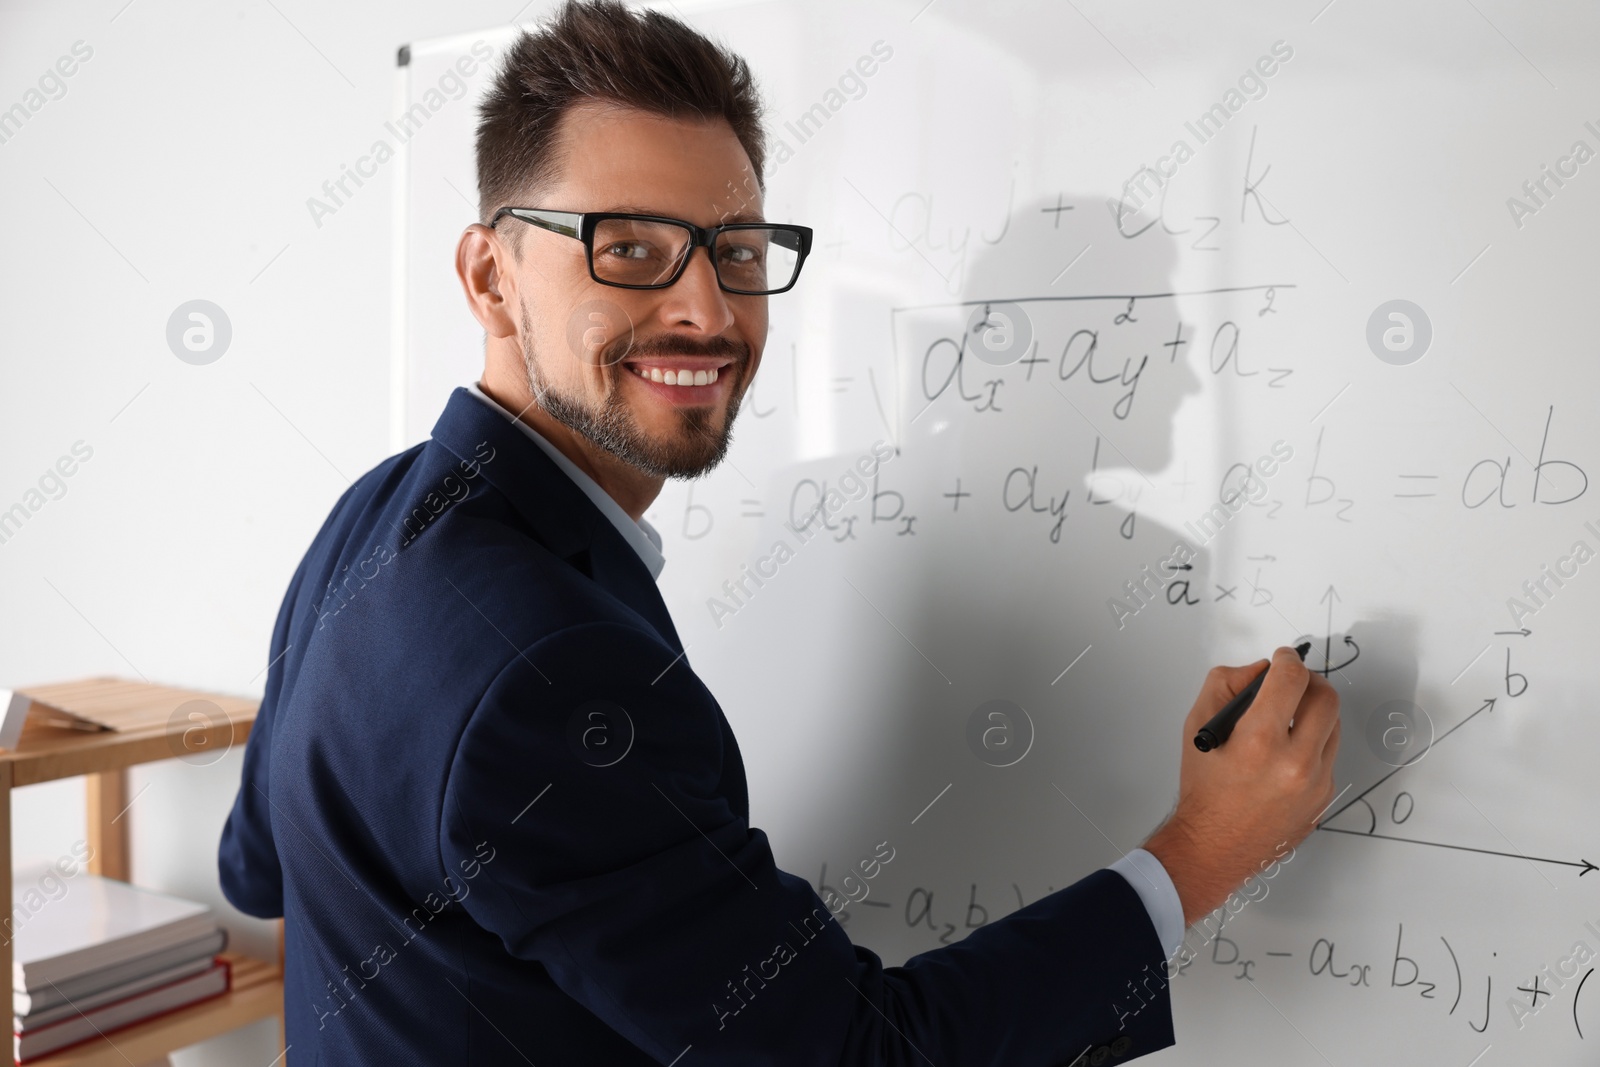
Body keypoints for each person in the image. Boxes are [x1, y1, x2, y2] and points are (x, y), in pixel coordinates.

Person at [217, 3, 1341, 1064]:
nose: (708, 310)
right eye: (631, 247)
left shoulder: (374, 510)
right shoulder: (553, 673)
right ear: (489, 276)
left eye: (738, 250)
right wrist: (1201, 854)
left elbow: (256, 865)